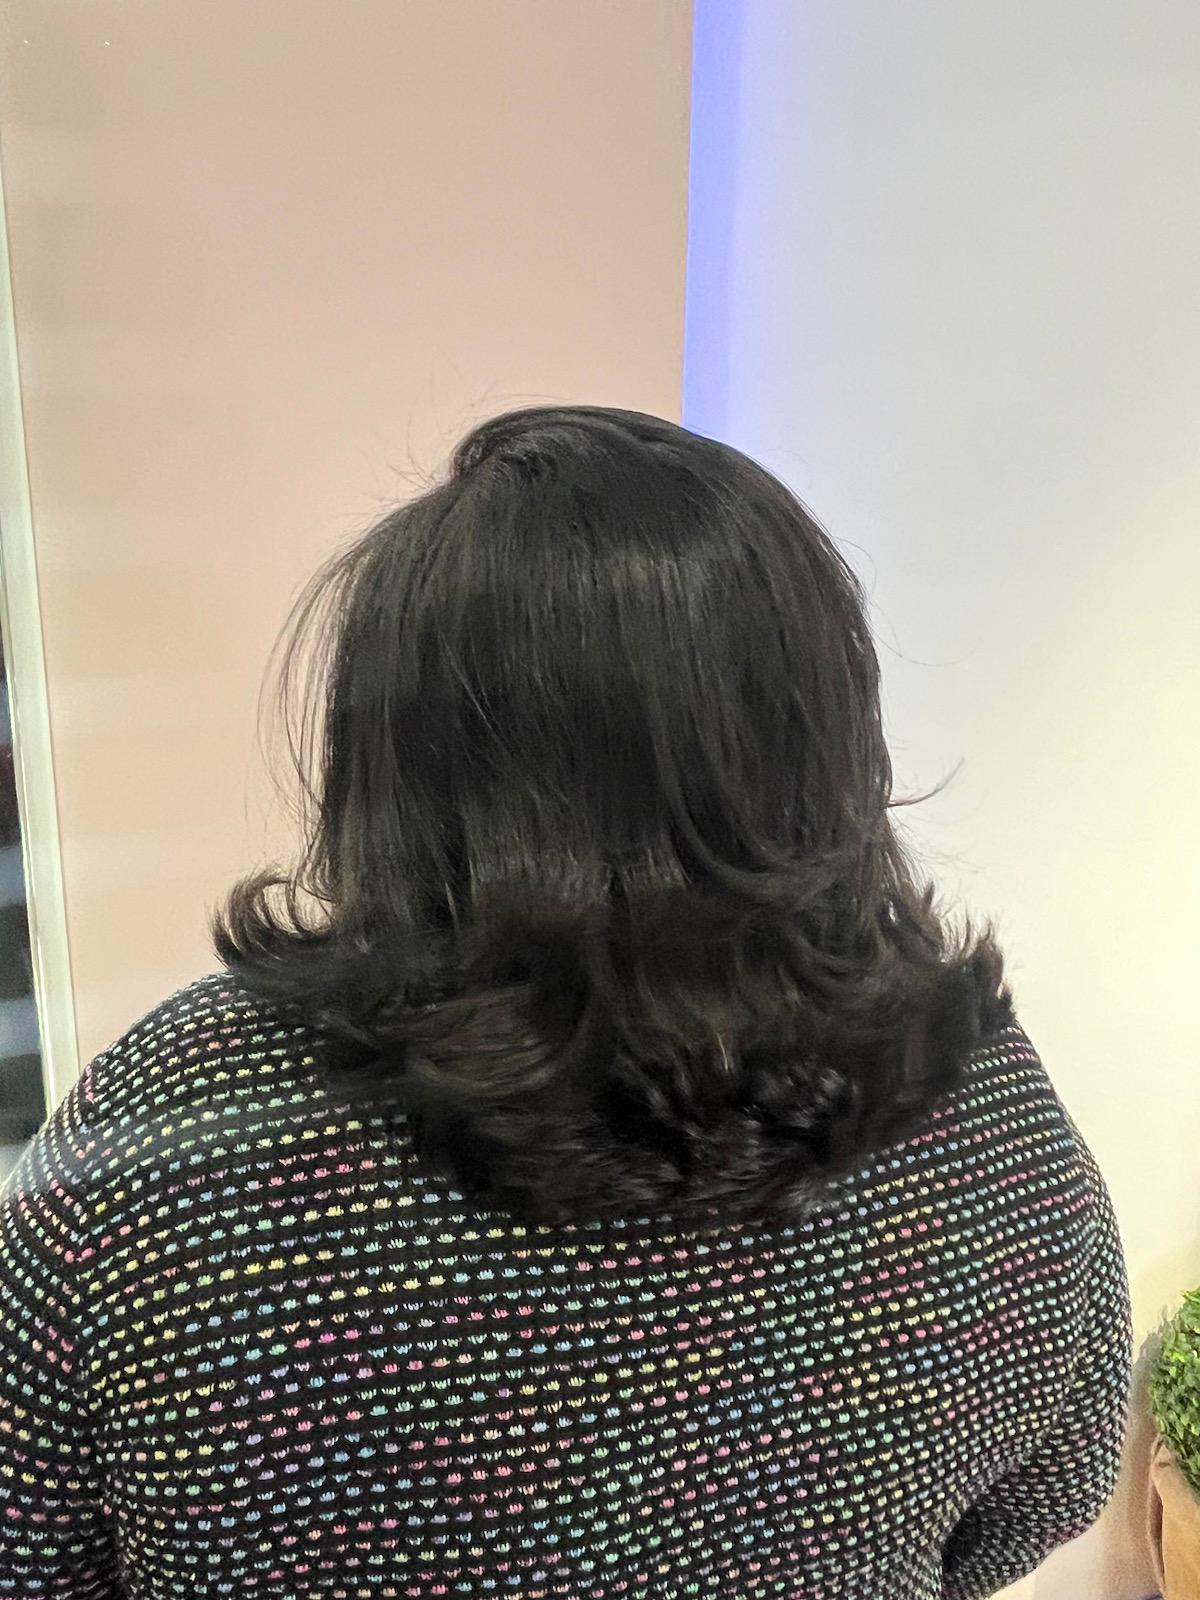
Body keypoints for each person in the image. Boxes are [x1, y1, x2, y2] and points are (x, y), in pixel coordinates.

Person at [0, 406, 1129, 1599]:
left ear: (386, 767)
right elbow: (1051, 1488)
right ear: (828, 734)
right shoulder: (975, 1093)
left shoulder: (173, 1126)